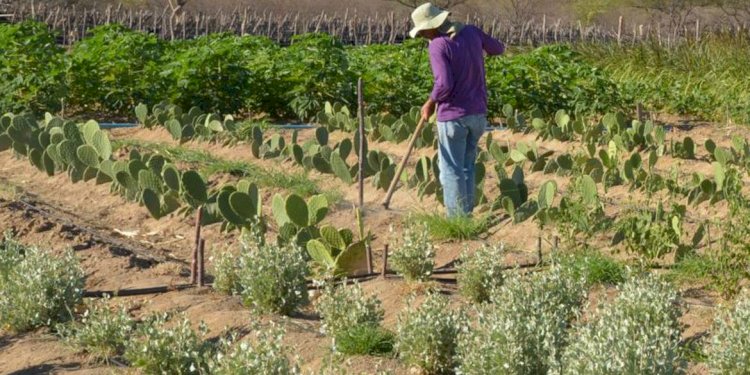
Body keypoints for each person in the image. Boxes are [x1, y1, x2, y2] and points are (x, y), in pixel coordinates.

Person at [409, 2, 505, 217]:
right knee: (467, 167)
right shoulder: (471, 31)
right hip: (478, 114)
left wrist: (430, 102)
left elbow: (444, 84)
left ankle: (456, 220)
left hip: (453, 116)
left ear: (432, 27)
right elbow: (498, 48)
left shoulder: (438, 45)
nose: (423, 35)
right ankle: (466, 216)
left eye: (423, 31)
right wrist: (474, 48)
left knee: (451, 170)